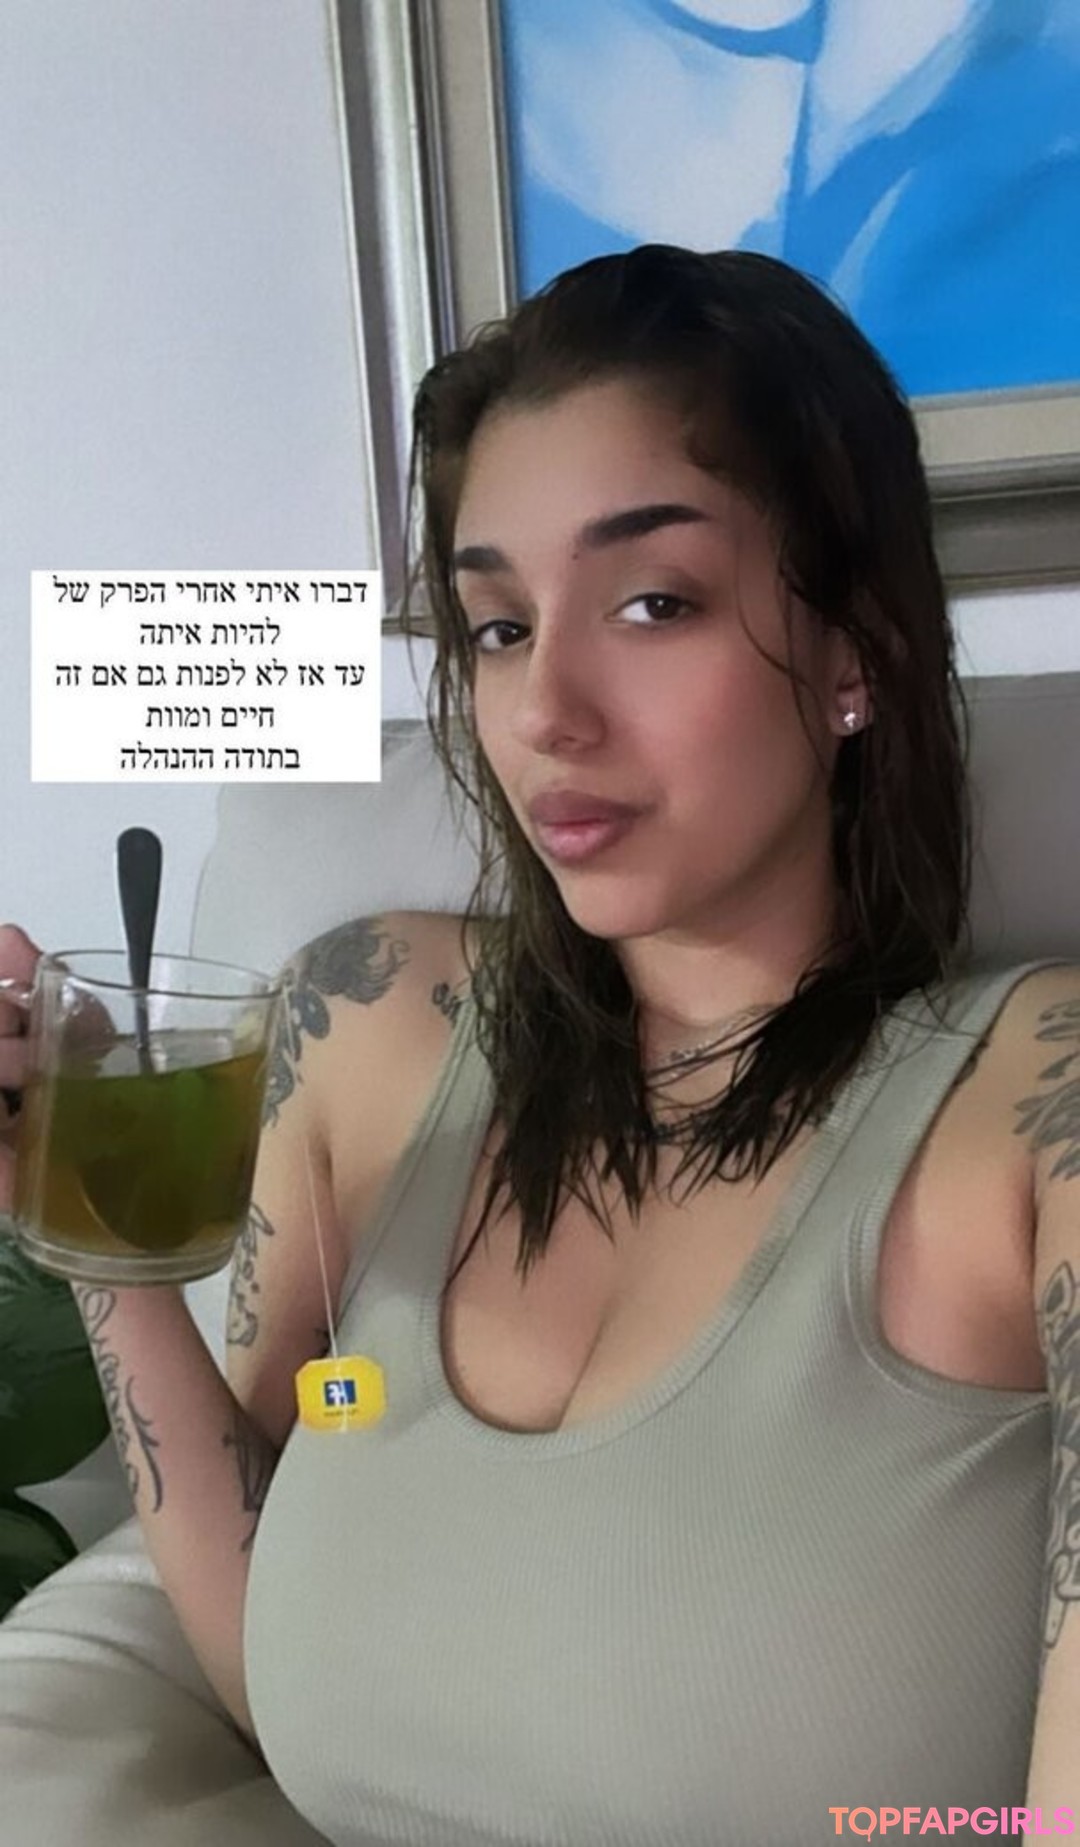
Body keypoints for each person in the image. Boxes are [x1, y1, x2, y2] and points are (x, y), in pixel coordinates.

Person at [1, 245, 1078, 1842]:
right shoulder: (363, 1020)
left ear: (856, 652)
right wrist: (82, 1205)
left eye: (653, 603)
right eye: (498, 625)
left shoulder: (1032, 1106)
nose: (545, 711)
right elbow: (267, 1656)